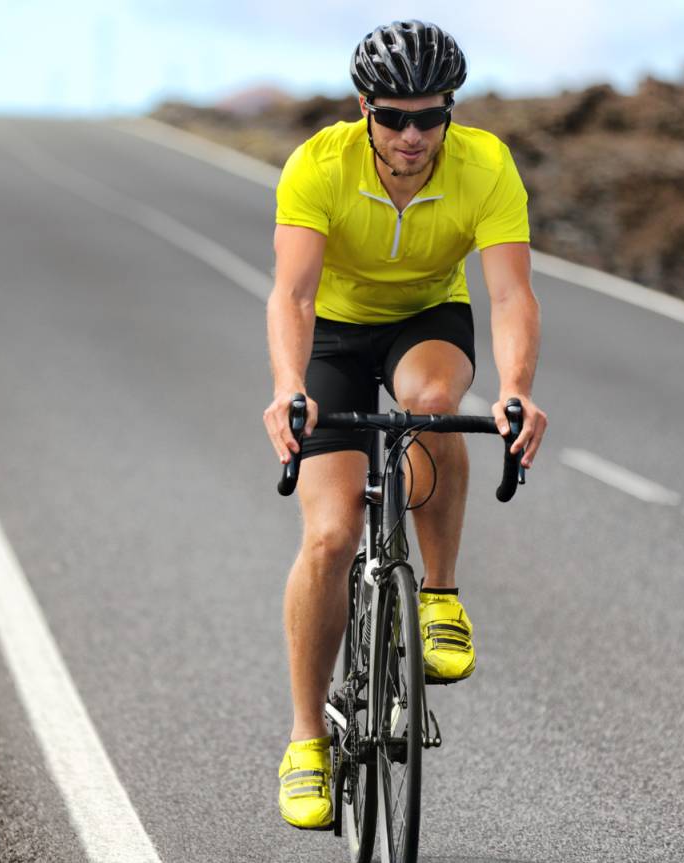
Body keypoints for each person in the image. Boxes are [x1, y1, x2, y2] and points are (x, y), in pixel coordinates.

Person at [261, 20, 550, 830]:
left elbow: (509, 296)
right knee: (327, 534)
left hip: (427, 316)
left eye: (431, 116)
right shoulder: (319, 164)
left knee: (432, 406)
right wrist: (289, 387)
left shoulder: (485, 165)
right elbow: (290, 294)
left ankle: (440, 596)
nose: (412, 135)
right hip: (333, 334)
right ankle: (307, 742)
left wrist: (516, 389)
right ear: (364, 109)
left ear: (450, 112)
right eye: (393, 117)